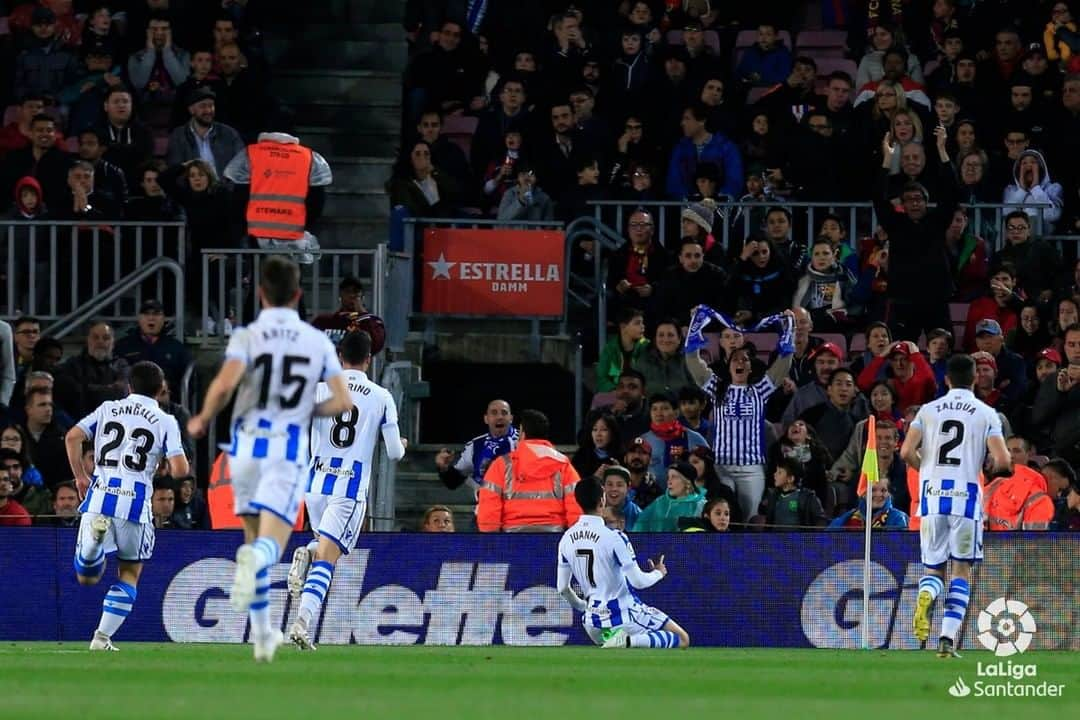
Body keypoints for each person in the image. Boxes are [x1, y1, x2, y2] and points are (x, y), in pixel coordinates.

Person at [186, 256, 351, 662]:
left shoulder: (247, 335)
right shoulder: (317, 342)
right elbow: (341, 400)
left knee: (250, 536)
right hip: (284, 450)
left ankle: (262, 637)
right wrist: (306, 412)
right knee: (269, 545)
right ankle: (255, 568)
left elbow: (223, 385)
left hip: (243, 449)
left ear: (261, 294)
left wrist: (203, 418)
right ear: (298, 295)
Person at [287, 331, 406, 650]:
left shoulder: (318, 390)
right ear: (370, 359)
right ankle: (302, 622)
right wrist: (403, 446)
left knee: (324, 545)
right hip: (349, 487)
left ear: (340, 357)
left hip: (315, 484)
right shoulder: (381, 396)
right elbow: (394, 453)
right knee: (329, 558)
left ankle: (309, 551)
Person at [64, 361, 189, 650]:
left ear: (129, 387)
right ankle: (101, 637)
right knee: (129, 573)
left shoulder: (108, 408)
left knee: (87, 577)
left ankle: (94, 545)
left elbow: (73, 436)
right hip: (135, 505)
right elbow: (181, 469)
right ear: (161, 389)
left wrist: (81, 478)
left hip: (99, 495)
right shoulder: (165, 420)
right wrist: (163, 467)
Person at [901, 354, 1011, 658]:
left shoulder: (928, 410)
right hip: (967, 498)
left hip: (932, 497)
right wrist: (992, 471)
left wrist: (925, 471)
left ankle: (925, 594)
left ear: (946, 379)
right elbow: (1003, 461)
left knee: (933, 568)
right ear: (975, 378)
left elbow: (906, 451)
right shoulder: (986, 412)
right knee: (961, 569)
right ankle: (947, 640)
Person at [556, 475, 690, 649]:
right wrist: (659, 572)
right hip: (623, 616)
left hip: (591, 622)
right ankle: (626, 640)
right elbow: (638, 582)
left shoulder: (566, 539)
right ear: (602, 499)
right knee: (681, 639)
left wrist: (583, 606)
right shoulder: (615, 537)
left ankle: (621, 641)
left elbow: (563, 588)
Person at [686, 311, 795, 516]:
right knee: (723, 512)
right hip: (721, 466)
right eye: (735, 359)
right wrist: (695, 325)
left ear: (751, 368)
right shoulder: (717, 389)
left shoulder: (760, 390)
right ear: (728, 367)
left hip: (752, 467)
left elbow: (783, 362)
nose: (740, 362)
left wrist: (790, 328)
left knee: (749, 518)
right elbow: (694, 364)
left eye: (745, 360)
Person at [223, 131, 333, 258]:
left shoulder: (251, 154)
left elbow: (238, 198)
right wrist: (304, 225)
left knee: (260, 275)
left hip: (256, 236)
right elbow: (317, 201)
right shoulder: (309, 156)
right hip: (295, 237)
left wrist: (243, 228)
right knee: (290, 276)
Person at [476, 409, 582, 532]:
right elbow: (576, 507)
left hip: (511, 541)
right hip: (554, 540)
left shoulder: (502, 465)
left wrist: (491, 542)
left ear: (522, 432)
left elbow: (489, 507)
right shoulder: (563, 465)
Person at [435, 399, 517, 495]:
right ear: (486, 419)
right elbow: (454, 482)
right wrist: (444, 467)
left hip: (517, 506)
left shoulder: (524, 442)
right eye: (494, 413)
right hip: (486, 506)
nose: (499, 417)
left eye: (504, 413)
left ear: (511, 418)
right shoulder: (476, 445)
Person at [113, 299, 192, 399]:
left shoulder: (176, 348)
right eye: (146, 314)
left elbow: (188, 383)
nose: (151, 318)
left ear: (163, 319)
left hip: (166, 404)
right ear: (139, 318)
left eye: (156, 314)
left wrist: (168, 391)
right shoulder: (123, 346)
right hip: (132, 404)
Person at [309, 276, 387, 353]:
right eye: (347, 292)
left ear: (362, 297)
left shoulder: (374, 322)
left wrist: (362, 314)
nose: (352, 295)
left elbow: (375, 345)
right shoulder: (323, 321)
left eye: (356, 292)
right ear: (340, 296)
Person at [756, 457, 829, 529]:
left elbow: (821, 521)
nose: (774, 474)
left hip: (798, 539)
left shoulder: (808, 498)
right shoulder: (772, 495)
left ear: (790, 479)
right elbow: (762, 511)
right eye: (776, 471)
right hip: (775, 539)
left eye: (779, 472)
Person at [828, 481, 910, 529]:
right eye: (873, 490)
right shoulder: (848, 517)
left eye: (883, 490)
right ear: (863, 494)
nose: (878, 494)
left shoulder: (898, 518)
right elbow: (827, 540)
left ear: (889, 494)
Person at [600, 465, 641, 531]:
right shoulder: (595, 512)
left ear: (628, 488)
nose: (614, 489)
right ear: (603, 487)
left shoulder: (638, 516)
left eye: (619, 485)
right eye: (610, 484)